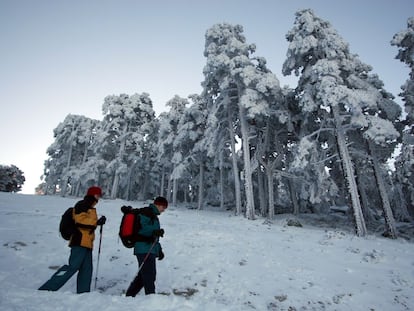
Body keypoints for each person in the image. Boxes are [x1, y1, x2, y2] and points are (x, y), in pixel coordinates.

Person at [38, 186, 106, 294]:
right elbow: (80, 221)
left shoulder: (90, 207)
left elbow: (87, 224)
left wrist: (97, 222)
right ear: (92, 195)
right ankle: (48, 288)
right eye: (97, 195)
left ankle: (83, 294)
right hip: (79, 241)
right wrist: (96, 222)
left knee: (86, 270)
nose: (98, 198)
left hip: (87, 243)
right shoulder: (82, 205)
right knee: (72, 267)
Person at [125, 196, 168, 296]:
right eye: (163, 207)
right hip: (143, 248)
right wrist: (154, 231)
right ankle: (151, 298)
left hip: (149, 249)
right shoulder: (146, 213)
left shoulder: (153, 216)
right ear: (158, 205)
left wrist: (159, 250)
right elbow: (142, 229)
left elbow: (154, 237)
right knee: (149, 275)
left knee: (143, 275)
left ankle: (129, 296)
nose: (163, 210)